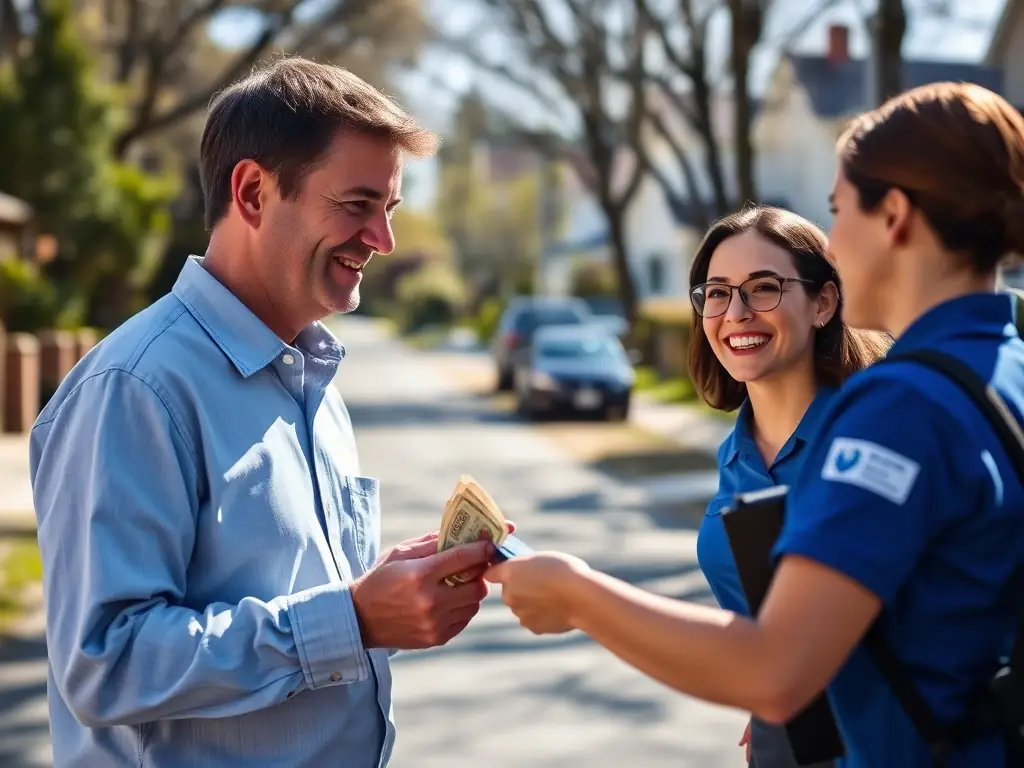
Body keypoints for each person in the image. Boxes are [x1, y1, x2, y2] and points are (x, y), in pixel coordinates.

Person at [486, 81, 1024, 767]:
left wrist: (576, 594)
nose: (831, 237)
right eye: (716, 293)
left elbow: (775, 672)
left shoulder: (900, 407)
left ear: (893, 215)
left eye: (836, 210)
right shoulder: (1003, 368)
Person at [30, 57, 500, 767]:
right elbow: (106, 662)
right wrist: (351, 617)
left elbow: (298, 603)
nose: (384, 241)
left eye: (390, 210)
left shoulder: (315, 382)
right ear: (253, 192)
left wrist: (377, 595)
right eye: (357, 205)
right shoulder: (135, 388)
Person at [688, 205, 889, 767]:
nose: (737, 313)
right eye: (719, 292)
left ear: (823, 303)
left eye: (765, 288)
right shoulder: (734, 455)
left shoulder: (873, 441)